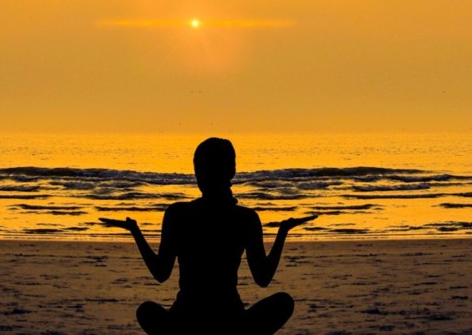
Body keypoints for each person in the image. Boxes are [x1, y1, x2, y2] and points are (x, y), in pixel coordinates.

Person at [100, 137, 315, 335]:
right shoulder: (245, 218)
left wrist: (136, 233)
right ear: (231, 170)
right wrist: (282, 234)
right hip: (231, 320)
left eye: (200, 170)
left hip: (184, 320)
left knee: (146, 311)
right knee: (283, 302)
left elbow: (160, 273)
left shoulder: (178, 213)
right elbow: (263, 278)